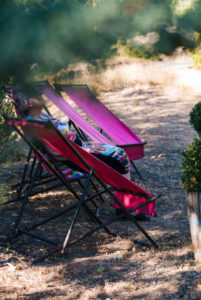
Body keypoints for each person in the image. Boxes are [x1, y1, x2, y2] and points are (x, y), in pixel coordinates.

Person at [9, 85, 149, 221]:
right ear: (29, 103)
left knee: (117, 154)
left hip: (78, 153)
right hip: (71, 162)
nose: (40, 95)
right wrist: (84, 150)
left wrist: (84, 144)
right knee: (120, 156)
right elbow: (56, 154)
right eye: (36, 94)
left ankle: (125, 205)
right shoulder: (35, 124)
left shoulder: (40, 116)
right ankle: (126, 208)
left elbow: (63, 141)